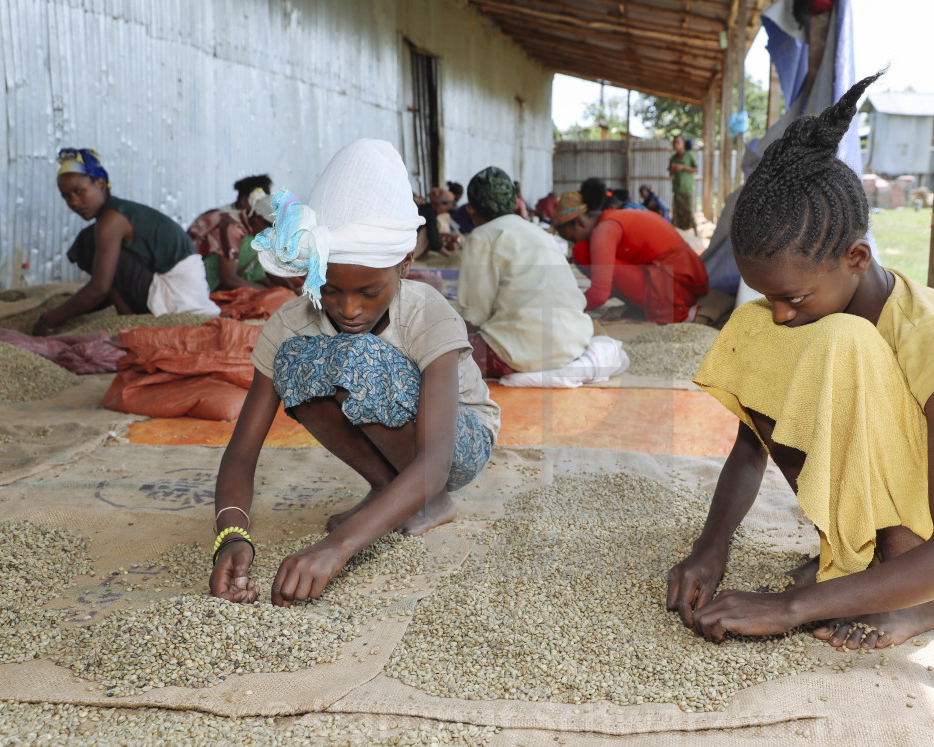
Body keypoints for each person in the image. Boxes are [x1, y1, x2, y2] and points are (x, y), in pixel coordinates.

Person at [666, 72, 934, 650]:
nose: (783, 313)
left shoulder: (931, 333)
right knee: (751, 331)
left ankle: (918, 595)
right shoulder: (798, 316)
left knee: (846, 345)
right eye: (770, 295)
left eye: (794, 298)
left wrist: (791, 607)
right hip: (911, 502)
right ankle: (859, 565)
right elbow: (750, 447)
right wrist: (710, 547)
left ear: (857, 257)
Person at [209, 140, 499, 607]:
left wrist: (336, 549)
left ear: (404, 265)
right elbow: (242, 452)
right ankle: (387, 487)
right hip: (412, 453)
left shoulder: (427, 312)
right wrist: (232, 534)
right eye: (330, 288)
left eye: (368, 291)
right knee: (298, 358)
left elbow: (437, 460)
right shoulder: (291, 323)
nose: (348, 308)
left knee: (352, 355)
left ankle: (434, 501)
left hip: (457, 443)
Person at [33, 148, 217, 336]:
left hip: (177, 297)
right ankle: (128, 317)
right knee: (93, 243)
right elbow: (104, 290)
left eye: (80, 191)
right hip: (182, 292)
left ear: (101, 184)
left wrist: (49, 320)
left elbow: (99, 290)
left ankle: (129, 319)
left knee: (89, 242)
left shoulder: (112, 219)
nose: (74, 202)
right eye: (66, 196)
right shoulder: (115, 213)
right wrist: (69, 312)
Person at [455, 166, 594, 378]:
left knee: (437, 345)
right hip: (574, 343)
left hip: (520, 352)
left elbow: (474, 315)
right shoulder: (538, 232)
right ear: (514, 202)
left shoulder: (482, 236)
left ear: (471, 210)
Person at [554, 190, 708, 324]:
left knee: (583, 255)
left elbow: (600, 293)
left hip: (676, 291)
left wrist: (567, 307)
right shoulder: (614, 217)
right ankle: (645, 305)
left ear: (580, 222)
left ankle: (663, 309)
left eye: (573, 238)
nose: (575, 244)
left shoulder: (604, 230)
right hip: (689, 281)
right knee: (599, 263)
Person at [188, 185, 293, 292]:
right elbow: (228, 278)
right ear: (258, 219)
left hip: (200, 268)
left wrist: (289, 289)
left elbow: (265, 270)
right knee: (251, 246)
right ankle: (211, 293)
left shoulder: (247, 226)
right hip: (190, 276)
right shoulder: (232, 227)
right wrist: (263, 292)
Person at [668, 135, 698, 233]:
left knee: (689, 211)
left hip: (687, 189)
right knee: (677, 214)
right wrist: (672, 169)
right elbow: (670, 175)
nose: (675, 145)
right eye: (674, 143)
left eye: (678, 142)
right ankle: (679, 233)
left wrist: (684, 167)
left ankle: (695, 232)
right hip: (677, 189)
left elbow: (696, 169)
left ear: (683, 143)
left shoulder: (689, 155)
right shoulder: (673, 158)